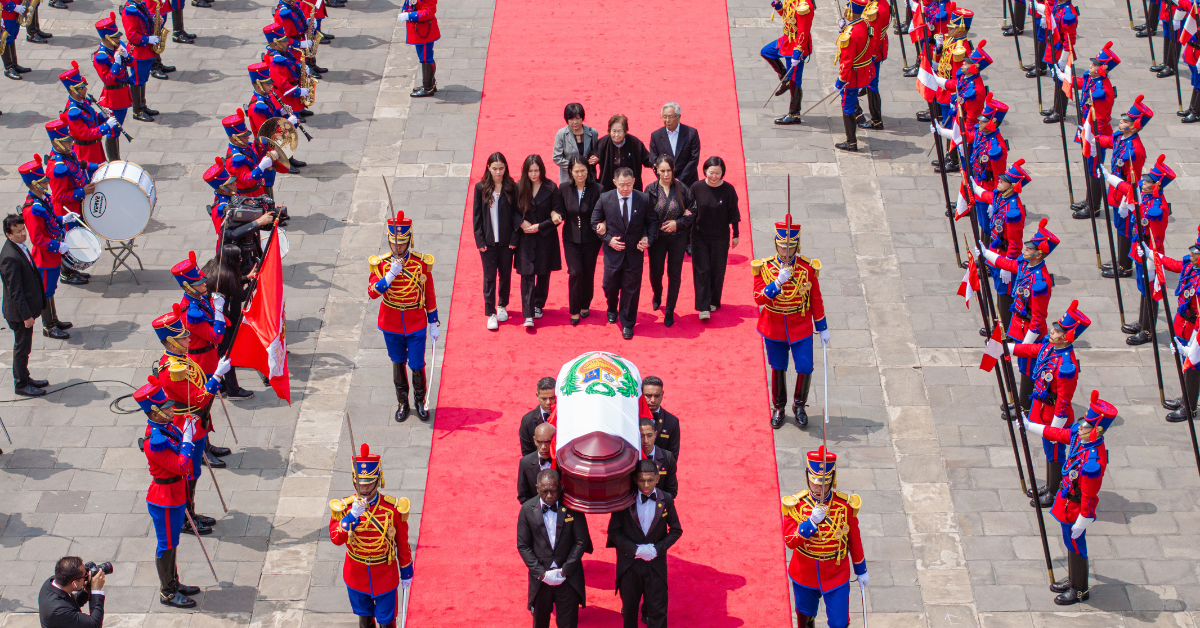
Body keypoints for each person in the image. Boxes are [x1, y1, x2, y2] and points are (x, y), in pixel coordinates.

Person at [1023, 391, 1117, 605]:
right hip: (1066, 501)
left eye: (1086, 426)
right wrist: (1030, 425)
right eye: (1083, 423)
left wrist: (1084, 518)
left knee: (1076, 545)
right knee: (1069, 542)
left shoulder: (1093, 461)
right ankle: (1074, 579)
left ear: (1097, 431)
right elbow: (1057, 434)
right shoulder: (1080, 437)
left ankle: (1080, 589)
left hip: (1076, 506)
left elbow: (1088, 493)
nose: (1080, 427)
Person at [154, 304, 232, 532]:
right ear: (171, 343)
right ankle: (187, 518)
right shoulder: (173, 370)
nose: (189, 339)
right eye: (183, 337)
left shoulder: (180, 359)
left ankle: (191, 512)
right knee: (189, 474)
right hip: (186, 424)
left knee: (194, 472)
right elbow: (198, 398)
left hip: (193, 421)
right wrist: (217, 375)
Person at [1010, 300, 1088, 507]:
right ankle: (1050, 485)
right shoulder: (1051, 346)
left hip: (1055, 417)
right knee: (1048, 451)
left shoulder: (1067, 367)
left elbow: (1063, 402)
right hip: (1043, 408)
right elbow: (1033, 351)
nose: (1052, 331)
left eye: (1057, 331)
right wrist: (1008, 348)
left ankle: (1054, 491)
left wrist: (1055, 429)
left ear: (1066, 338)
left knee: (1055, 453)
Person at [329, 443, 414, 628]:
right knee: (364, 620)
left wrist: (406, 570)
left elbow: (402, 542)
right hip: (356, 574)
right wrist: (352, 516)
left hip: (384, 574)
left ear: (378, 480)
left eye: (369, 484)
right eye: (360, 484)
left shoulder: (392, 509)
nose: (364, 489)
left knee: (387, 622)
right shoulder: (345, 508)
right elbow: (336, 538)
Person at [978, 219, 1058, 414]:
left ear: (1039, 254)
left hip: (1031, 331)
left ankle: (1024, 406)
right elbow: (1008, 263)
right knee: (1023, 366)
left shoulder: (1040, 282)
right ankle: (1020, 401)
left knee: (1029, 369)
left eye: (1030, 249)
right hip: (1019, 326)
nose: (1025, 249)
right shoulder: (1026, 264)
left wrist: (1025, 344)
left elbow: (1038, 317)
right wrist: (986, 252)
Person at [782, 447, 868, 628]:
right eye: (814, 482)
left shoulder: (844, 506)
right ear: (807, 477)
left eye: (825, 482)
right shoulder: (795, 506)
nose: (819, 487)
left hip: (836, 573)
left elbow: (854, 540)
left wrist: (861, 569)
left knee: (840, 622)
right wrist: (811, 523)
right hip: (805, 573)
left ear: (832, 480)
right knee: (805, 616)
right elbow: (790, 541)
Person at [753, 216, 826, 428]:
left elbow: (815, 299)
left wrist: (822, 327)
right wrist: (777, 283)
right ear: (776, 245)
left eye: (790, 248)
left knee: (805, 366)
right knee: (778, 367)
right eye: (782, 247)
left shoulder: (806, 268)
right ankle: (779, 407)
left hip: (800, 324)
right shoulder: (764, 267)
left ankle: (799, 404)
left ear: (797, 246)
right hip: (774, 325)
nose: (786, 253)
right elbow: (759, 298)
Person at [136, 374, 203, 608]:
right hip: (164, 498)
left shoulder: (164, 426)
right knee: (167, 544)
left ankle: (173, 582)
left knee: (173, 543)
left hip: (176, 492)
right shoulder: (155, 441)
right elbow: (180, 465)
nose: (172, 409)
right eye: (166, 408)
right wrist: (187, 441)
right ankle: (167, 592)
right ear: (155, 413)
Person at [368, 211, 439, 422]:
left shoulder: (420, 263)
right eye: (394, 244)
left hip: (415, 321)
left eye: (401, 244)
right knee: (397, 363)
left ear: (409, 241)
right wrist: (390, 275)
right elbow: (372, 293)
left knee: (417, 364)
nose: (397, 248)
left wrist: (433, 321)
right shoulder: (380, 264)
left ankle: (419, 400)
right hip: (391, 322)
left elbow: (430, 294)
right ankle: (402, 402)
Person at [606, 459, 682, 628]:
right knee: (629, 612)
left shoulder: (666, 499)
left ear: (657, 478)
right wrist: (635, 550)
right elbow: (614, 532)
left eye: (649, 480)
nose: (646, 484)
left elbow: (676, 530)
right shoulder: (623, 500)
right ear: (635, 479)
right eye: (641, 480)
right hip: (629, 566)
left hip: (655, 566)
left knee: (658, 611)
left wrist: (657, 549)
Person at [1107, 155, 1173, 346]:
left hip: (1150, 252)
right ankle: (1142, 321)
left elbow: (1156, 236)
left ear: (1157, 186)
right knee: (1144, 289)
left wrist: (1150, 255)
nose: (1144, 183)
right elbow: (1129, 191)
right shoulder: (1146, 196)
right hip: (1141, 249)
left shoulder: (1158, 208)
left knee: (1151, 290)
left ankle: (1147, 330)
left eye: (1148, 182)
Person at [517, 469, 592, 628]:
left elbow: (581, 540)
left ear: (560, 487)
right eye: (545, 491)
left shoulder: (572, 506)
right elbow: (523, 545)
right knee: (540, 623)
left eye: (553, 490)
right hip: (541, 581)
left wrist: (565, 569)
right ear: (537, 489)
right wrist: (541, 573)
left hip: (568, 578)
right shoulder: (527, 509)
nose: (549, 495)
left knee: (568, 623)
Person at [592, 167, 657, 339]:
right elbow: (594, 221)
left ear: (634, 181)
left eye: (628, 184)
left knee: (631, 289)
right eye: (622, 185)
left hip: (634, 253)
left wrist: (648, 239)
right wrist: (607, 239)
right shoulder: (605, 198)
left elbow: (651, 222)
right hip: (613, 253)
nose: (625, 188)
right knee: (609, 285)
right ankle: (612, 307)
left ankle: (628, 323)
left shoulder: (643, 198)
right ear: (614, 182)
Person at [969, 159, 1031, 333]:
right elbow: (987, 195)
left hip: (1006, 256)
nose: (999, 181)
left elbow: (1015, 241)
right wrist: (975, 187)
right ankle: (999, 324)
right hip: (997, 252)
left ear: (1011, 186)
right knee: (998, 289)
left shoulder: (1014, 211)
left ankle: (1003, 330)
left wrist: (1008, 264)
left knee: (1005, 295)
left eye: (1003, 181)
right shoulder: (1000, 196)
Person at [18, 154, 74, 340]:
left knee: (51, 290)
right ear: (34, 185)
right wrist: (57, 246)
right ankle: (48, 326)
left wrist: (61, 219)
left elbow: (49, 218)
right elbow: (37, 239)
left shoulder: (42, 199)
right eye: (42, 182)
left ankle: (54, 320)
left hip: (52, 254)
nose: (47, 184)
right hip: (45, 257)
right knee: (46, 292)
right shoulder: (32, 209)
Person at [1097, 95, 1153, 279]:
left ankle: (1124, 266)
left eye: (1125, 120)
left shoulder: (1134, 151)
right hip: (1116, 191)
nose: (1120, 122)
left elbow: (1132, 181)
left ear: (1135, 126)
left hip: (1125, 195)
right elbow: (1110, 142)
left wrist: (1123, 198)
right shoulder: (1122, 138)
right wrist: (1094, 138)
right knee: (1119, 227)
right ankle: (1120, 260)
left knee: (1125, 230)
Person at [1067, 42, 1120, 219]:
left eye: (1095, 64)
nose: (1091, 66)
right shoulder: (1094, 80)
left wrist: (1092, 137)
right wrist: (1065, 77)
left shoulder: (1102, 90)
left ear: (1103, 68)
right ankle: (1089, 198)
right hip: (1087, 129)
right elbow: (1083, 84)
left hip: (1097, 133)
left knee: (1094, 169)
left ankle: (1094, 207)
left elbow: (1100, 116)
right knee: (1088, 166)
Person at [44, 120, 97, 288]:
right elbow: (59, 195)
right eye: (67, 141)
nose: (71, 143)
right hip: (66, 209)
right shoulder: (57, 168)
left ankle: (74, 270)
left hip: (76, 206)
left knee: (76, 239)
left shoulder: (68, 153)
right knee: (68, 241)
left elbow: (79, 165)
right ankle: (66, 274)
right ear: (57, 143)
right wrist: (82, 192)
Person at [0, 213, 48, 398]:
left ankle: (26, 378)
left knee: (24, 347)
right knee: (22, 348)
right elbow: (15, 292)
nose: (23, 234)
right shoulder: (10, 258)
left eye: (23, 230)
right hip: (19, 313)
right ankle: (21, 383)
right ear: (8, 234)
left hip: (26, 309)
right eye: (18, 232)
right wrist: (26, 316)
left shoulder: (18, 246)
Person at [645, 156, 695, 327]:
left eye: (669, 170)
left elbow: (694, 211)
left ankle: (670, 309)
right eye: (662, 171)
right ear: (656, 170)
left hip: (678, 238)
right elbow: (646, 215)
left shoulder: (682, 188)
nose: (666, 174)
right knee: (655, 272)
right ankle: (657, 294)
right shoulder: (650, 189)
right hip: (657, 238)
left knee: (674, 275)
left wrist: (678, 223)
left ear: (674, 170)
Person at [473, 152, 520, 330]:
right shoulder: (481, 188)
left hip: (507, 242)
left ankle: (502, 305)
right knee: (489, 277)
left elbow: (517, 214)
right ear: (488, 168)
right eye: (495, 168)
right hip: (488, 242)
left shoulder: (511, 188)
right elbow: (477, 217)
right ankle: (490, 312)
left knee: (505, 275)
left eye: (501, 168)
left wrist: (515, 238)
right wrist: (480, 241)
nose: (498, 172)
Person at [515, 154, 563, 328]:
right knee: (526, 275)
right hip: (525, 238)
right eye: (530, 171)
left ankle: (538, 304)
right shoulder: (519, 187)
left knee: (543, 274)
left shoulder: (551, 188)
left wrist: (539, 226)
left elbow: (558, 214)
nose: (533, 174)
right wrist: (521, 222)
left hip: (545, 238)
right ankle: (528, 313)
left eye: (536, 170)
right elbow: (511, 211)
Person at [1157, 228, 1200, 421]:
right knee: (1185, 366)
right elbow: (1175, 265)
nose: (1192, 254)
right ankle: (1185, 397)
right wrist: (1154, 256)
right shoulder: (1191, 266)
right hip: (1182, 324)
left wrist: (1194, 341)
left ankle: (1190, 408)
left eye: (1196, 253)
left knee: (1193, 368)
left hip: (1195, 331)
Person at [690, 156, 739, 320]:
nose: (714, 176)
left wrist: (736, 234)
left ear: (722, 173)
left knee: (717, 271)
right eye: (711, 172)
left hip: (720, 237)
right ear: (705, 171)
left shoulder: (728, 190)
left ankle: (712, 300)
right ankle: (703, 306)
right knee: (702, 269)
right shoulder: (696, 187)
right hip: (699, 236)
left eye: (717, 173)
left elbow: (734, 213)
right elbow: (690, 211)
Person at [559, 155, 602, 325]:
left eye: (583, 170)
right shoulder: (563, 189)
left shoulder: (597, 189)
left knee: (588, 272)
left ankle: (585, 304)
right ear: (570, 171)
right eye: (576, 171)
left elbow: (603, 211)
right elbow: (559, 209)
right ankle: (574, 309)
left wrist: (603, 223)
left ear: (588, 170)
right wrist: (556, 214)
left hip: (591, 239)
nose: (580, 174)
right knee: (575, 273)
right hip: (570, 238)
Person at [206, 246, 254, 399]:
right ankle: (233, 390)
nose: (241, 259)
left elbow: (230, 282)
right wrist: (255, 283)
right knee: (225, 355)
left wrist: (247, 277)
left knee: (217, 354)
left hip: (207, 316)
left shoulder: (213, 266)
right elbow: (242, 296)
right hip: (218, 320)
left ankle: (223, 385)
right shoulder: (227, 276)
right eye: (238, 257)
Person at [761, 0, 815, 125]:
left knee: (795, 80)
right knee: (766, 52)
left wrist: (798, 51)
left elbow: (803, 31)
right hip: (787, 39)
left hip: (797, 45)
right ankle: (784, 77)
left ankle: (794, 114)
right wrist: (780, 9)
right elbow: (789, 17)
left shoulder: (805, 6)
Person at [833, 0, 876, 152]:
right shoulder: (865, 24)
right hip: (864, 71)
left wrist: (840, 81)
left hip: (852, 76)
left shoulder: (850, 34)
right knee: (849, 103)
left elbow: (846, 61)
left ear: (851, 12)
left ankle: (851, 142)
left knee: (847, 106)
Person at [59, 61, 120, 167]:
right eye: (82, 88)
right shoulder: (73, 112)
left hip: (95, 147)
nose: (85, 89)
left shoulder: (83, 101)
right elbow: (85, 134)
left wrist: (102, 116)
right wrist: (106, 126)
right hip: (86, 152)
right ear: (73, 91)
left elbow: (92, 119)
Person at [247, 61, 305, 172]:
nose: (270, 86)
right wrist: (288, 124)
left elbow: (272, 115)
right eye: (267, 84)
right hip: (267, 147)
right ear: (259, 85)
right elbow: (267, 132)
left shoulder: (265, 97)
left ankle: (289, 158)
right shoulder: (257, 107)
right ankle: (285, 162)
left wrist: (281, 112)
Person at [92, 13, 134, 159]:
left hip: (123, 92)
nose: (119, 39)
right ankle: (114, 160)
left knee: (117, 127)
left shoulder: (119, 46)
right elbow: (108, 80)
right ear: (107, 38)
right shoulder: (100, 57)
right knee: (114, 131)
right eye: (115, 37)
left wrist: (126, 56)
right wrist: (116, 63)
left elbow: (132, 63)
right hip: (113, 97)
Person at [1038, 0, 1078, 123]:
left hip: (1061, 53)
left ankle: (1060, 112)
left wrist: (1062, 59)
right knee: (1057, 80)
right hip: (1054, 48)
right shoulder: (1058, 4)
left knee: (1062, 82)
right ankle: (1056, 106)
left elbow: (1069, 40)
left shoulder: (1068, 14)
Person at [37, 557, 105, 628]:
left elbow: (72, 602)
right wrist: (96, 591)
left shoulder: (51, 583)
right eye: (85, 576)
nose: (87, 577)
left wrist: (86, 590)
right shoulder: (59, 610)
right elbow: (95, 625)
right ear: (74, 584)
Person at [594, 114, 654, 192]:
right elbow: (592, 158)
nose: (616, 135)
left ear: (625, 131)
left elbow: (648, 159)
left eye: (619, 131)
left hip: (630, 186)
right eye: (614, 131)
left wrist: (657, 163)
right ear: (609, 131)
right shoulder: (602, 143)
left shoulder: (635, 143)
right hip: (608, 186)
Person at [648, 103, 701, 185]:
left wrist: (679, 180)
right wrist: (666, 178)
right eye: (664, 117)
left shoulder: (691, 133)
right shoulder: (656, 136)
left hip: (688, 182)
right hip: (665, 183)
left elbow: (694, 159)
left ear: (679, 117)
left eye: (670, 117)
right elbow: (654, 160)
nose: (667, 120)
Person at [265, 24, 311, 118]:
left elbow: (291, 64)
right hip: (287, 100)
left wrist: (300, 66)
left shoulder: (284, 51)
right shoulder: (276, 62)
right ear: (275, 44)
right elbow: (283, 85)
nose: (287, 42)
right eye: (284, 41)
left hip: (293, 95)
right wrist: (299, 92)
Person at [859, 0, 892, 129]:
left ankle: (876, 120)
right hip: (877, 47)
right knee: (871, 83)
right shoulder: (880, 2)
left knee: (872, 84)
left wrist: (869, 55)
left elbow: (876, 35)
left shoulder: (878, 9)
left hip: (874, 50)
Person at [398, 0, 439, 97]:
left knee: (425, 58)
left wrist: (410, 16)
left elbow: (428, 12)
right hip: (419, 31)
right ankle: (430, 83)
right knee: (423, 57)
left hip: (425, 32)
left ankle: (428, 88)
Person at [552, 103, 599, 185]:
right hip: (568, 178)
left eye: (578, 118)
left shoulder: (592, 133)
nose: (575, 122)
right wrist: (574, 168)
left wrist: (597, 158)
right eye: (571, 119)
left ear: (582, 118)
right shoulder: (561, 134)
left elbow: (597, 151)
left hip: (588, 178)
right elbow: (557, 157)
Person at [641, 376, 680, 460]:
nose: (652, 400)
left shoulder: (672, 422)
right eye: (648, 396)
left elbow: (672, 457)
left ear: (662, 394)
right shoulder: (632, 417)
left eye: (657, 396)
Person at [518, 423, 555, 504]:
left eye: (547, 442)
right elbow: (523, 496)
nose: (543, 447)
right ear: (534, 440)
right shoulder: (525, 463)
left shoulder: (563, 461)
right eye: (539, 442)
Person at [639, 419, 677, 498]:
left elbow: (672, 490)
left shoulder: (668, 457)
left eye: (649, 435)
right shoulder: (630, 457)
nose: (645, 441)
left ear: (655, 434)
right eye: (641, 436)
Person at [519, 376, 556, 456]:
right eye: (544, 399)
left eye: (552, 398)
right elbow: (527, 454)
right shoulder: (528, 421)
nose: (548, 402)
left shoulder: (567, 416)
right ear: (537, 396)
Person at [0, 0, 33, 79]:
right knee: (5, 40)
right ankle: (8, 68)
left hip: (16, 12)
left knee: (11, 38)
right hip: (6, 13)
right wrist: (13, 7)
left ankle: (14, 64)